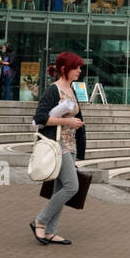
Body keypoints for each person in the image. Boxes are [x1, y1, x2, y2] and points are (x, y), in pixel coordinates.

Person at [30, 52, 86, 246]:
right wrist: (67, 120)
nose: (80, 70)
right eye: (76, 67)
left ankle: (50, 231)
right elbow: (40, 118)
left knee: (61, 188)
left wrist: (76, 124)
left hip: (71, 145)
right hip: (57, 145)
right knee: (72, 186)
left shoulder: (73, 90)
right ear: (65, 69)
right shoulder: (52, 91)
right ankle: (40, 221)